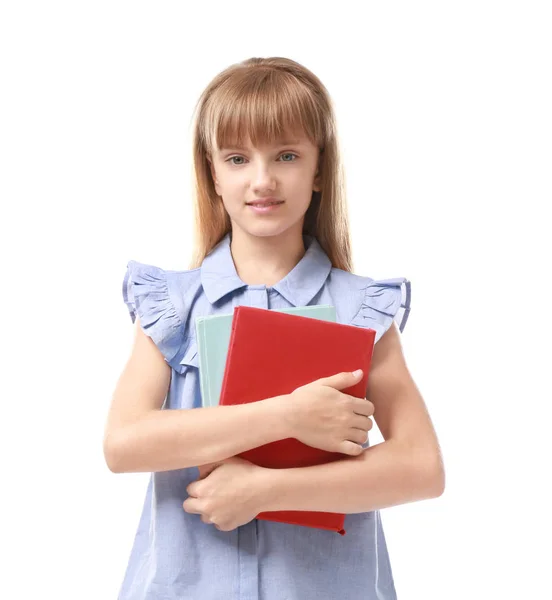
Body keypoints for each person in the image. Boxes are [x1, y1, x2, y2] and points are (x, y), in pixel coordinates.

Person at [103, 56, 445, 600]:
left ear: (318, 170)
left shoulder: (362, 309)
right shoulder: (171, 305)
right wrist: (286, 416)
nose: (262, 180)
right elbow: (123, 444)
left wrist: (267, 490)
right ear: (212, 172)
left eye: (286, 155)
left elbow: (422, 467)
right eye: (238, 158)